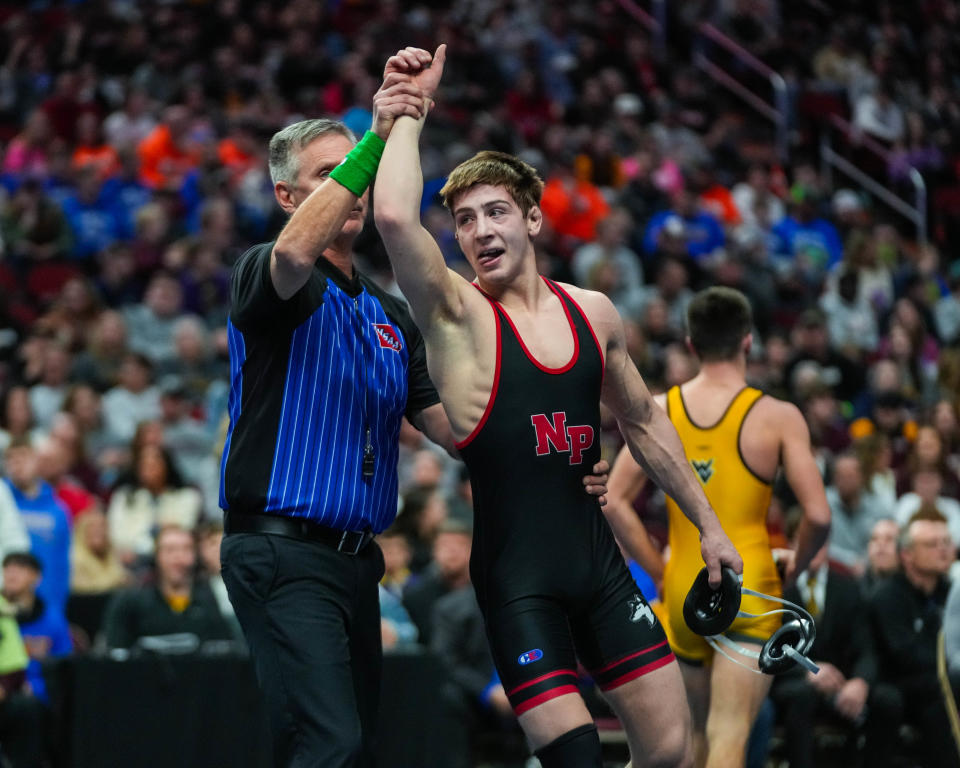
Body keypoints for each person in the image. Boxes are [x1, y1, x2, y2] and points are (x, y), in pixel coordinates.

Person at [216, 50, 613, 768]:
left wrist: (567, 448)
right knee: (329, 745)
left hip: (356, 561)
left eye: (358, 173)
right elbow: (294, 259)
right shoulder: (267, 272)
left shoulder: (391, 315)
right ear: (286, 197)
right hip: (279, 550)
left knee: (330, 744)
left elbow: (459, 430)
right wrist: (379, 134)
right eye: (331, 174)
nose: (356, 186)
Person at [374, 45, 741, 768]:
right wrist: (409, 110)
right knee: (574, 755)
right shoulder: (458, 317)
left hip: (597, 567)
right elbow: (391, 216)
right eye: (466, 220)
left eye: (496, 212)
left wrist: (709, 527)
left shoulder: (595, 313)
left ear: (534, 220)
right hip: (519, 582)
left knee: (670, 749)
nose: (480, 231)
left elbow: (644, 423)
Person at [603, 287, 831, 768]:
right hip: (750, 585)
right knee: (729, 735)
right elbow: (818, 516)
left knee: (690, 746)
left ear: (690, 343)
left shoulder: (660, 410)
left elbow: (615, 503)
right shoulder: (777, 417)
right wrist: (797, 567)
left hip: (685, 584)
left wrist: (659, 570)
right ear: (748, 342)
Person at [868, 513, 960, 768]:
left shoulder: (950, 590)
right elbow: (904, 655)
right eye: (932, 544)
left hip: (938, 686)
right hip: (896, 684)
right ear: (906, 555)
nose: (943, 550)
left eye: (946, 542)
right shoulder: (887, 595)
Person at [102, 524, 232, 650]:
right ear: (156, 556)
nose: (178, 558)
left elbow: (225, 650)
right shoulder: (129, 602)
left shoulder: (215, 599)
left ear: (195, 556)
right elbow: (116, 652)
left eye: (186, 549)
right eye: (170, 550)